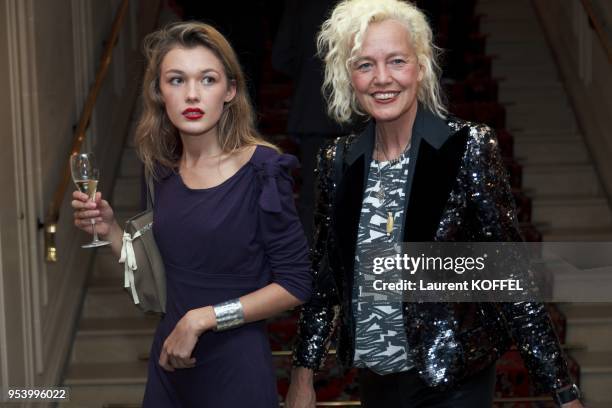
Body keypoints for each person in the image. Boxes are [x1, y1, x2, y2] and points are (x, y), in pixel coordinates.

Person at [285, 1, 584, 407]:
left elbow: (511, 276)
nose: (382, 78)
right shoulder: (336, 161)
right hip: (377, 380)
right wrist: (302, 376)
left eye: (396, 61)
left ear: (421, 66)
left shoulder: (467, 148)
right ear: (347, 75)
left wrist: (563, 392)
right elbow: (325, 280)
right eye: (365, 65)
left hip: (452, 380)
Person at [72, 22, 312, 407]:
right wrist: (110, 228)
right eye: (177, 80)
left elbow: (297, 285)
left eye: (208, 79)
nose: (193, 94)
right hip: (169, 364)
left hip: (235, 368)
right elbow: (156, 272)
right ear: (158, 92)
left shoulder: (262, 170)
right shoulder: (160, 169)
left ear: (230, 91)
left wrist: (204, 318)